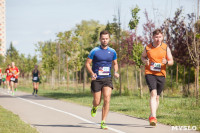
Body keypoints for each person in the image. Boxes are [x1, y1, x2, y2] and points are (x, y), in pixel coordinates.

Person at [85, 30, 119, 129]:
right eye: (103, 39)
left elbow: (115, 63)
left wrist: (115, 72)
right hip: (97, 79)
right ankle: (94, 107)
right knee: (97, 101)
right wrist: (92, 73)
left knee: (107, 98)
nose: (104, 40)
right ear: (100, 39)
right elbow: (87, 64)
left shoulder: (112, 51)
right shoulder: (94, 51)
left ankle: (103, 121)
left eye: (106, 39)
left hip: (107, 78)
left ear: (109, 39)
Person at [141, 29, 174, 126]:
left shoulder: (165, 47)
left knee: (157, 97)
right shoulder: (148, 47)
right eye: (156, 37)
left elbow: (171, 61)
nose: (158, 39)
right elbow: (142, 56)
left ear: (162, 37)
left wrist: (167, 62)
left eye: (160, 37)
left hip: (161, 74)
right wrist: (145, 61)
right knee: (153, 93)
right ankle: (154, 117)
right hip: (150, 73)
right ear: (152, 37)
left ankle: (152, 114)